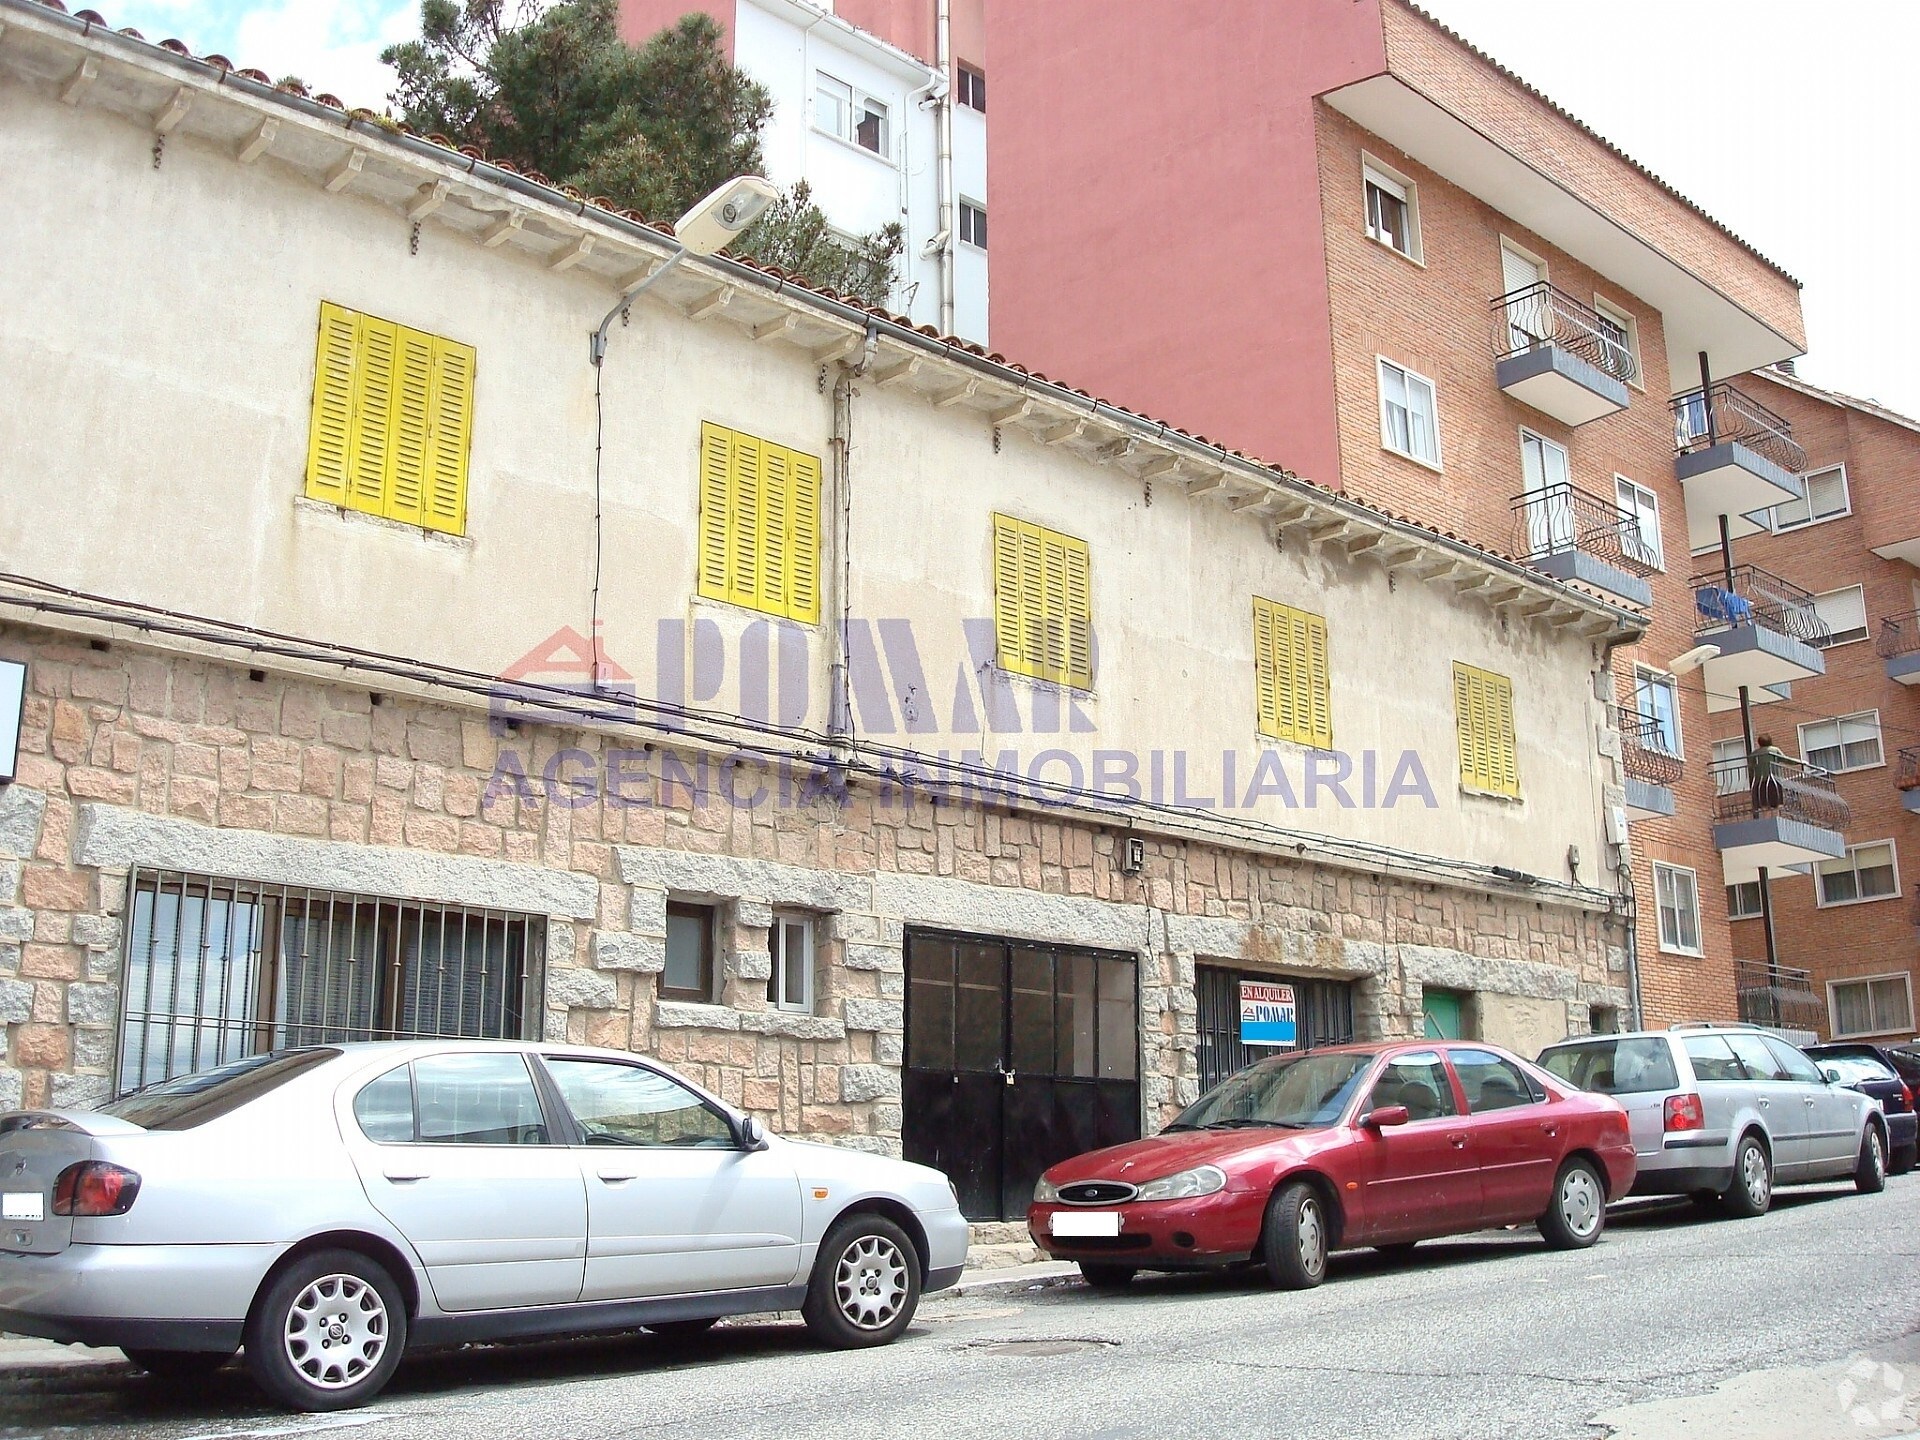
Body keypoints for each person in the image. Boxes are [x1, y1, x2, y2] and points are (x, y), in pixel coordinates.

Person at [1750, 734, 1786, 812]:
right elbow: (1786, 759)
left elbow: (1750, 766)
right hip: (1774, 780)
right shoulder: (1775, 750)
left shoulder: (1755, 753)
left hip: (1760, 781)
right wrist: (1800, 762)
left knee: (1764, 805)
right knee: (1777, 804)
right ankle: (1777, 815)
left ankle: (1766, 817)